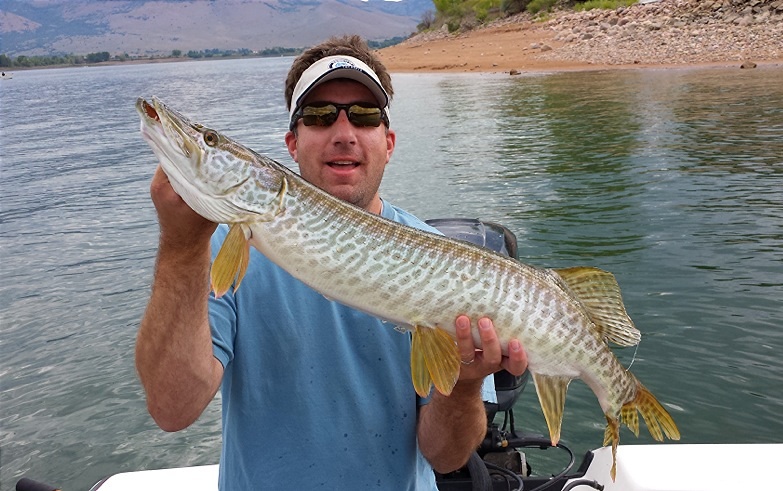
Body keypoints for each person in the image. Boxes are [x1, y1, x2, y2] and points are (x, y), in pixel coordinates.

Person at [136, 34, 527, 490]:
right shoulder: (220, 247)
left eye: (364, 116)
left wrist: (462, 385)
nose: (344, 134)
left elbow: (444, 457)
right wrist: (182, 248)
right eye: (320, 116)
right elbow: (171, 408)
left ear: (390, 141)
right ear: (291, 143)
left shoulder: (441, 259)